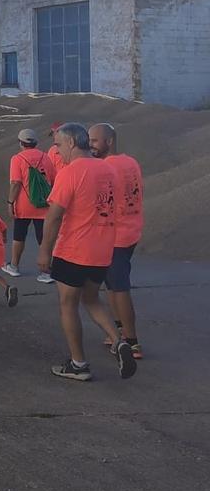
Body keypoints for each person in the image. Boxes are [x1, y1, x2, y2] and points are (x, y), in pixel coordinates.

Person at [38, 123, 136, 382]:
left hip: (73, 249)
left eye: (58, 145)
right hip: (102, 250)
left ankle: (79, 363)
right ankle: (119, 340)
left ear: (71, 143)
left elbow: (54, 216)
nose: (56, 151)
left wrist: (44, 251)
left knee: (68, 305)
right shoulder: (109, 169)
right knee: (92, 299)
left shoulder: (71, 172)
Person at [89, 123, 144, 360]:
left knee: (120, 288)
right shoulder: (130, 162)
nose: (90, 144)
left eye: (94, 140)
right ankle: (117, 331)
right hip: (131, 230)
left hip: (116, 236)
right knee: (112, 284)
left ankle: (132, 342)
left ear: (109, 141)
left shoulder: (105, 167)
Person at [7, 128, 57, 282]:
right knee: (44, 238)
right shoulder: (46, 157)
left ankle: (14, 266)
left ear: (21, 142)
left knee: (19, 236)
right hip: (43, 204)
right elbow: (53, 180)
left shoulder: (17, 158)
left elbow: (16, 183)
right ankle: (46, 271)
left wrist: (10, 202)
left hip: (23, 204)